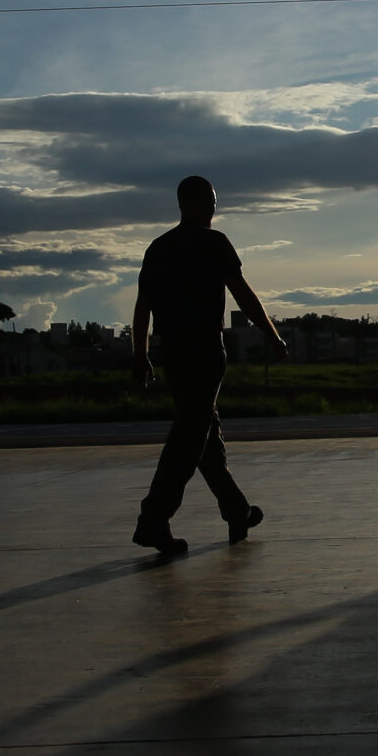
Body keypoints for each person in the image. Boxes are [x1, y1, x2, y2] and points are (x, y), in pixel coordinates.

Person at [129, 175, 288, 555]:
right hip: (203, 351)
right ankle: (153, 519)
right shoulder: (213, 244)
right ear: (196, 204)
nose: (215, 208)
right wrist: (272, 335)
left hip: (174, 354)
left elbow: (142, 309)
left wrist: (140, 355)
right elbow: (243, 295)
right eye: (212, 201)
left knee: (204, 433)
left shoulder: (159, 248)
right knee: (190, 437)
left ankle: (237, 510)